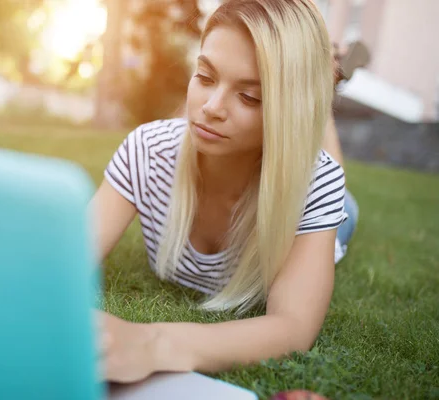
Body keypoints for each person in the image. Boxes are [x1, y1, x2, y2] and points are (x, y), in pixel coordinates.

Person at [91, 0, 359, 384]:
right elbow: (65, 258)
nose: (211, 108)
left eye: (249, 97)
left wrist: (154, 343)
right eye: (205, 76)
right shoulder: (147, 151)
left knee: (340, 195)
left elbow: (294, 327)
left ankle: (326, 81)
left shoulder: (317, 185)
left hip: (322, 202)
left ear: (288, 109)